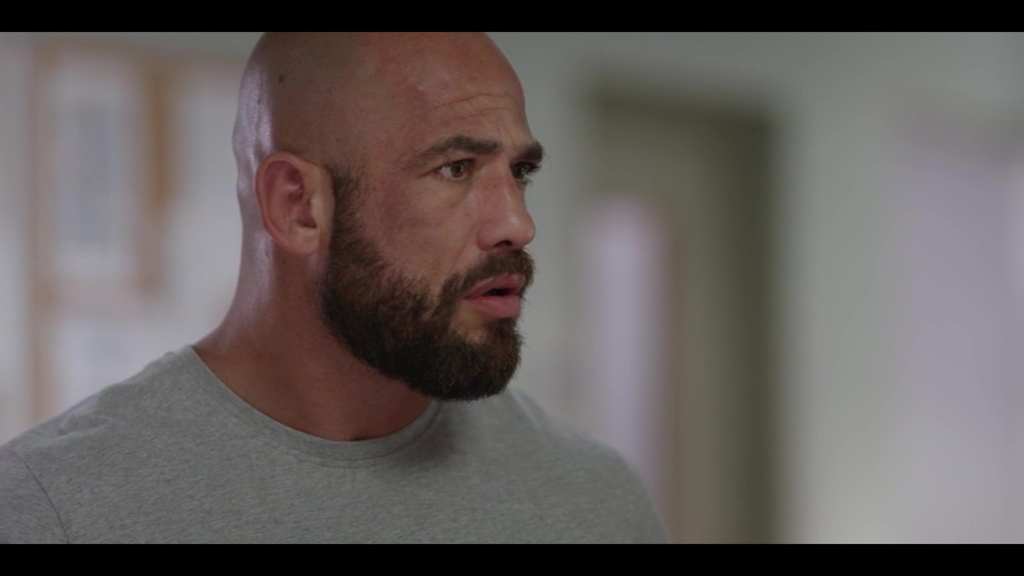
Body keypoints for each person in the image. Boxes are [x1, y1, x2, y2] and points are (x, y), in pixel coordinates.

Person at [0, 32, 669, 543]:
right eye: (457, 168)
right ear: (297, 207)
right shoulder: (54, 507)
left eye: (520, 172)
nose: (517, 224)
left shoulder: (595, 503)